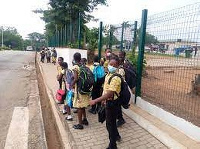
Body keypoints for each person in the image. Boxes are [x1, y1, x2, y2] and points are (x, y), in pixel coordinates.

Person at [90, 55, 122, 149]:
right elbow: (105, 89)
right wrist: (103, 100)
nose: (111, 66)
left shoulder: (116, 78)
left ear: (117, 66)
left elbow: (110, 94)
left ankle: (113, 146)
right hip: (108, 102)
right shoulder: (108, 74)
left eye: (114, 65)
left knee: (110, 125)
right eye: (110, 64)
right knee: (110, 124)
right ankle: (116, 137)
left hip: (113, 104)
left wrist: (95, 101)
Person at [71, 52, 89, 129]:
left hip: (79, 90)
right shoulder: (83, 65)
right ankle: (85, 119)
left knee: (79, 107)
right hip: (85, 89)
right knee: (83, 105)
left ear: (74, 58)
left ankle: (80, 124)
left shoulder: (75, 67)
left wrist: (71, 84)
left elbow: (75, 78)